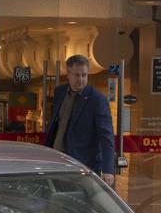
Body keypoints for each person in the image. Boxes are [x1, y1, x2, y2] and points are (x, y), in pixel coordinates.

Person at [44, 54, 115, 186]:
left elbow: (106, 135)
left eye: (84, 75)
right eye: (77, 75)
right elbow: (56, 125)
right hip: (57, 160)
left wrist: (108, 170)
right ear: (68, 74)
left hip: (83, 164)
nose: (81, 80)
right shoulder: (60, 92)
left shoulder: (97, 100)